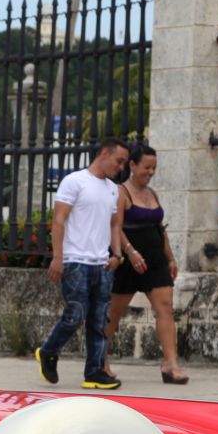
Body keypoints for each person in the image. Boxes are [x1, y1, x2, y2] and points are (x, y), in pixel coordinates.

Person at [36, 138, 130, 390]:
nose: (121, 167)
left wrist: (116, 255)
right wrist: (58, 257)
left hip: (102, 264)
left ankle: (95, 371)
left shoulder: (113, 189)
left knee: (99, 320)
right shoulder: (74, 181)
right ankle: (49, 351)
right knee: (75, 314)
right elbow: (59, 220)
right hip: (75, 261)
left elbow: (114, 224)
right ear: (104, 154)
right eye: (119, 161)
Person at [106, 144, 188, 384]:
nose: (151, 172)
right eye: (147, 167)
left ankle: (170, 364)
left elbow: (159, 228)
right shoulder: (121, 192)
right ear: (132, 165)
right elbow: (115, 227)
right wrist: (130, 252)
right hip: (128, 260)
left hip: (155, 259)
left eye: (154, 168)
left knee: (166, 307)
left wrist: (170, 258)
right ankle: (100, 359)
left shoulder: (152, 193)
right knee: (114, 312)